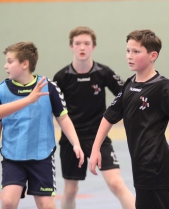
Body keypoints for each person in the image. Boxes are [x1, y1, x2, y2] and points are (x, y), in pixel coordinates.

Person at [89, 29, 169, 209]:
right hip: (140, 169)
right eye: (128, 51)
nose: (129, 56)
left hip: (158, 167)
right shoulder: (129, 85)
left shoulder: (163, 87)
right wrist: (95, 149)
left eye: (136, 52)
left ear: (152, 55)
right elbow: (109, 117)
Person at [53, 26, 135, 209]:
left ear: (93, 47)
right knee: (71, 189)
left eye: (87, 43)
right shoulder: (61, 77)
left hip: (98, 136)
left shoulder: (103, 73)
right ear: (71, 47)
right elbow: (53, 109)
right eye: (78, 43)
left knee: (115, 183)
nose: (82, 47)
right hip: (71, 139)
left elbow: (126, 95)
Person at [0, 42, 84, 209]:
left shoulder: (49, 88)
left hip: (41, 157)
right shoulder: (3, 90)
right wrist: (28, 100)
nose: (5, 65)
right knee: (8, 201)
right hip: (12, 157)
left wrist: (76, 143)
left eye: (10, 61)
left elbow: (63, 118)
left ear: (25, 64)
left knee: (46, 205)